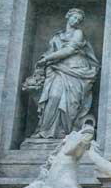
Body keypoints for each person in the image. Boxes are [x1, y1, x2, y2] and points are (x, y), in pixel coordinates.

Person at [27, 9, 100, 139]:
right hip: (57, 70)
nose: (76, 21)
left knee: (71, 103)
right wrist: (42, 64)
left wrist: (47, 59)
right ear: (68, 16)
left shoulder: (79, 33)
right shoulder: (57, 36)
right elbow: (50, 52)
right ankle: (45, 130)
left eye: (79, 20)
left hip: (76, 70)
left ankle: (64, 132)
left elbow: (69, 50)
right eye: (74, 17)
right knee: (54, 96)